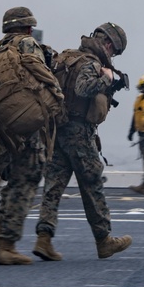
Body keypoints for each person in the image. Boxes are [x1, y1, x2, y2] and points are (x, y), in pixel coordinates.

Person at [34, 23, 133, 261]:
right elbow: (84, 87)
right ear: (109, 44)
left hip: (58, 131)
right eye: (114, 52)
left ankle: (43, 238)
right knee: (92, 184)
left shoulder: (67, 58)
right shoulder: (90, 63)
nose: (112, 56)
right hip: (78, 133)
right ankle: (104, 240)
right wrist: (107, 79)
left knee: (53, 186)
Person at [0, 6, 63, 265]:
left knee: (15, 180)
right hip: (27, 127)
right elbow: (42, 78)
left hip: (4, 127)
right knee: (27, 180)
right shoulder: (28, 44)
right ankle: (8, 245)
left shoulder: (0, 49)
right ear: (29, 27)